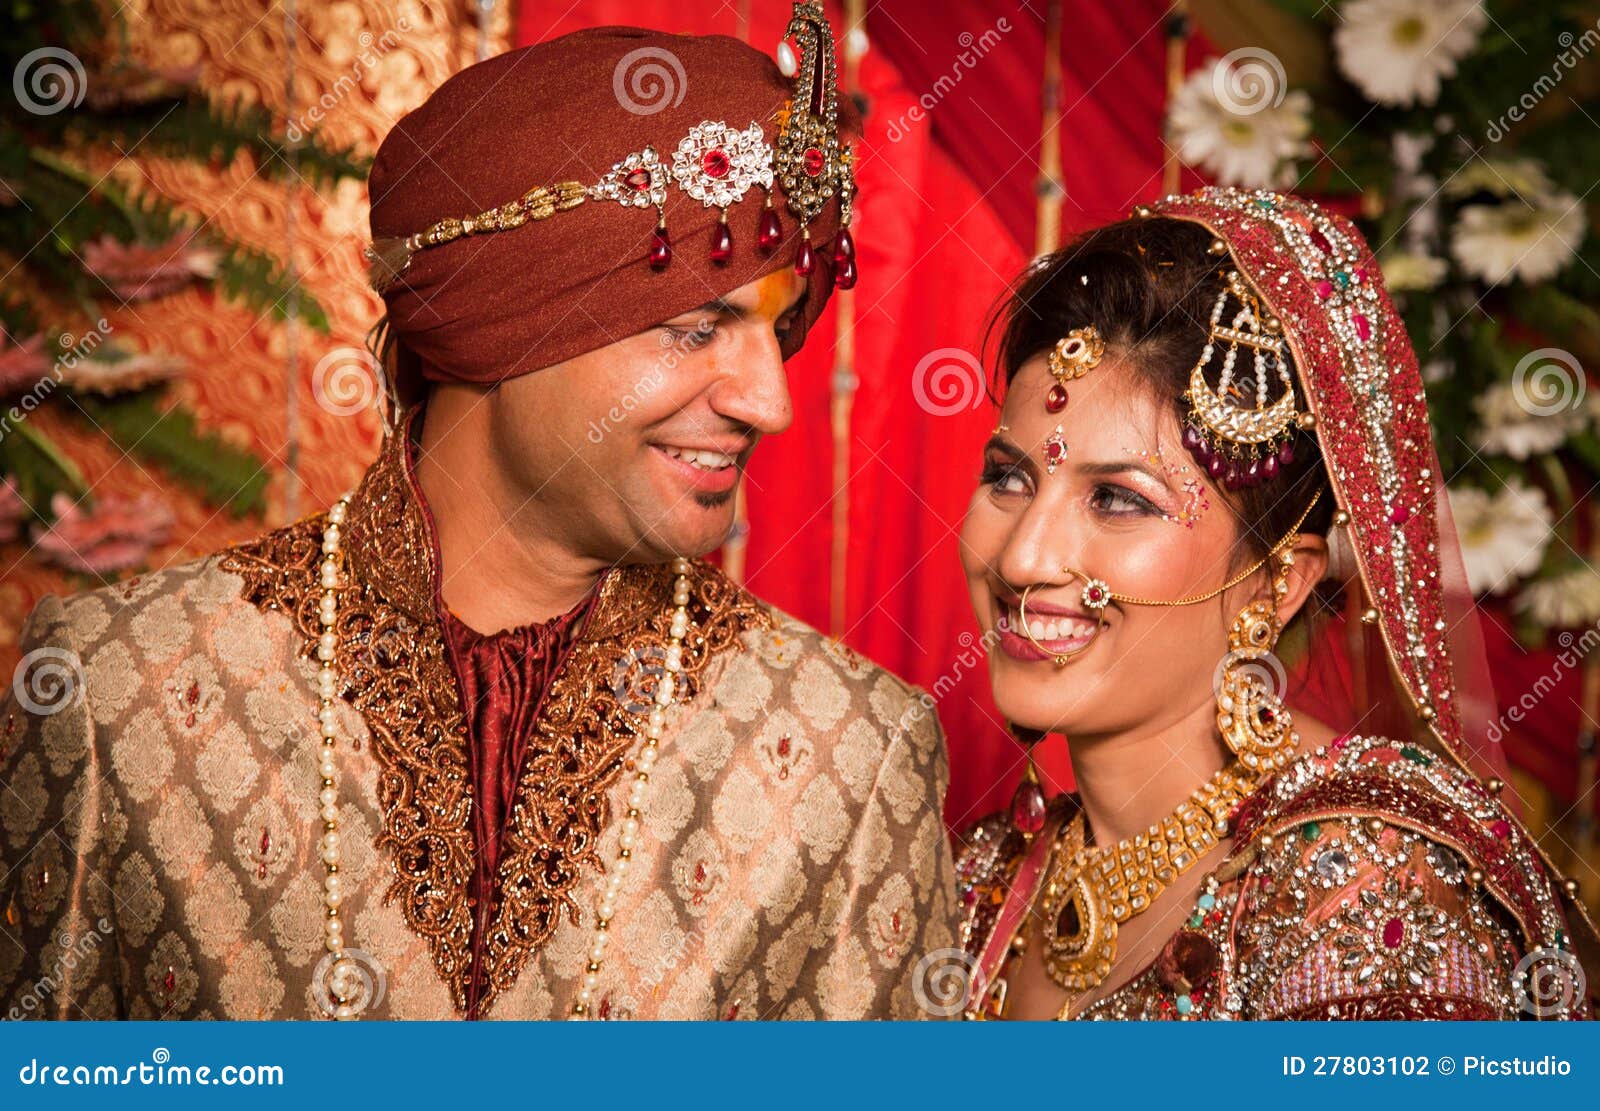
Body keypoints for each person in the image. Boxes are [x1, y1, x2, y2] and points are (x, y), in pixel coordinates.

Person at [0, 5, 958, 1020]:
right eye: (693, 329)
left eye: (778, 331)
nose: (769, 401)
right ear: (492, 330)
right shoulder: (118, 693)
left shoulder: (850, 753)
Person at [951, 186, 1596, 1021]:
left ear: (1278, 582)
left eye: (1118, 499)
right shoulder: (983, 880)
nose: (1022, 557)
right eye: (1009, 477)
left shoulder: (1368, 892)